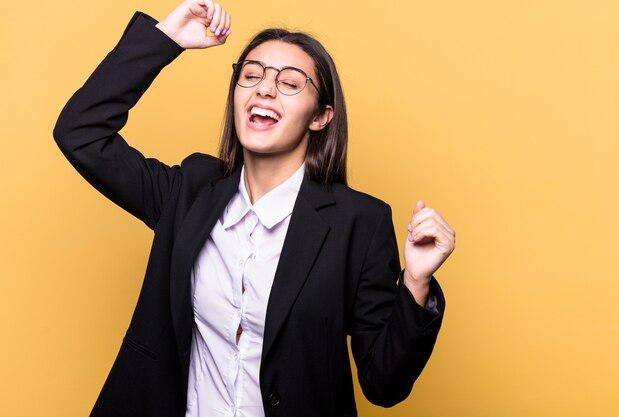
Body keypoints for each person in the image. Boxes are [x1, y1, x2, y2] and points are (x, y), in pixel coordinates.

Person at [53, 1, 456, 416]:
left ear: (321, 117)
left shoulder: (359, 223)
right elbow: (80, 132)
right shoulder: (189, 191)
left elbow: (383, 385)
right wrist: (166, 38)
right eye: (251, 75)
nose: (264, 88)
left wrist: (415, 283)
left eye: (290, 83)